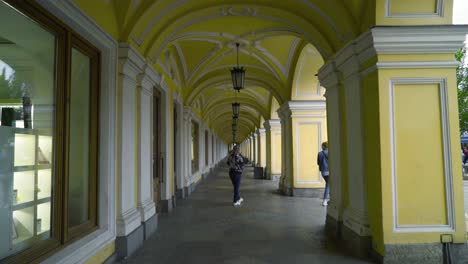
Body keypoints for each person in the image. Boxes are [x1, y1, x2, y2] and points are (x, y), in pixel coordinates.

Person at [317, 142, 329, 206]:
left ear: (324, 146)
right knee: (328, 185)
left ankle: (326, 200)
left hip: (323, 172)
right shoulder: (332, 152)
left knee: (328, 184)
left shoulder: (320, 153)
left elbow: (318, 163)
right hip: (330, 171)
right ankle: (325, 200)